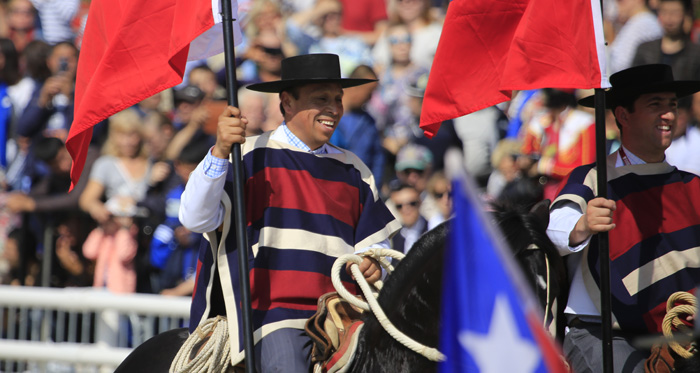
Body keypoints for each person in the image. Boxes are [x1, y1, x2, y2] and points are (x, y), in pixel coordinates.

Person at [178, 53, 400, 372]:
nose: (333, 109)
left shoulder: (356, 170)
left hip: (342, 316)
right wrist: (220, 151)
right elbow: (195, 218)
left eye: (337, 99)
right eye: (320, 99)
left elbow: (375, 250)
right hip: (271, 315)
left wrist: (372, 263)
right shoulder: (246, 156)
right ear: (288, 102)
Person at [547, 64, 700, 372]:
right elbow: (554, 231)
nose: (668, 115)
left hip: (682, 335)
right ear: (623, 116)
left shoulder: (693, 186)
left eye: (672, 105)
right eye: (655, 105)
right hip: (602, 331)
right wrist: (583, 226)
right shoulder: (593, 178)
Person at [632, 0, 700, 81]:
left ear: (685, 14)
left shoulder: (695, 54)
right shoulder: (645, 50)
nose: (669, 18)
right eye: (664, 12)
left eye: (675, 12)